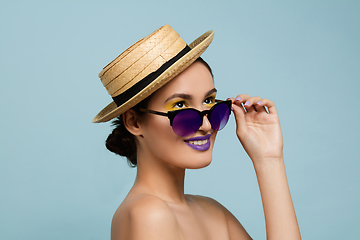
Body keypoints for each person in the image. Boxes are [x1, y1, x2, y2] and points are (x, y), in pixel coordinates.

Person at [93, 25, 301, 240]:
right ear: (134, 122)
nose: (206, 125)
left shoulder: (212, 212)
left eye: (209, 101)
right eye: (180, 105)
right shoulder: (149, 214)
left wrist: (269, 159)